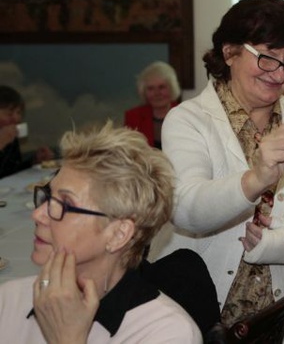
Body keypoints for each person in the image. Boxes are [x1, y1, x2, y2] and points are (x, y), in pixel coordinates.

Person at [151, 0, 284, 344]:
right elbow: (186, 211)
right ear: (229, 52)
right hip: (203, 323)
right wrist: (256, 177)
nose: (280, 74)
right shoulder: (187, 121)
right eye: (268, 58)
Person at [0, 122, 202, 343]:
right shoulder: (9, 299)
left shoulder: (167, 333)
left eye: (65, 204)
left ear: (118, 234)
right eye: (48, 197)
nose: (38, 214)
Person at [124, 61, 181, 150]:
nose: (157, 93)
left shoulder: (185, 114)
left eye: (161, 87)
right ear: (143, 92)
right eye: (150, 88)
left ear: (172, 88)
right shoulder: (133, 116)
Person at [0, 86, 54, 178]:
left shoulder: (11, 136)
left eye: (19, 113)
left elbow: (11, 170)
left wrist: (34, 161)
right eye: (9, 114)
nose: (16, 119)